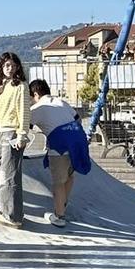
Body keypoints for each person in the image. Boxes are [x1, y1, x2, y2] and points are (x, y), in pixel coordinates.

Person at [29, 78, 91, 228]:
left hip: (60, 145)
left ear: (35, 94)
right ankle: (62, 205)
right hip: (78, 141)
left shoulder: (37, 108)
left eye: (30, 97)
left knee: (58, 182)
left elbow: (27, 127)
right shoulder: (61, 102)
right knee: (69, 176)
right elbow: (78, 120)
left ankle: (59, 216)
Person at [0, 52, 30, 228]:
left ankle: (13, 216)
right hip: (1, 132)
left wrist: (22, 134)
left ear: (17, 67)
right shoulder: (0, 85)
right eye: (6, 66)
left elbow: (24, 111)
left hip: (12, 133)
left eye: (13, 65)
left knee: (10, 175)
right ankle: (3, 209)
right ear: (1, 67)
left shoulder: (20, 86)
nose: (10, 69)